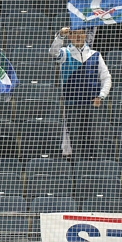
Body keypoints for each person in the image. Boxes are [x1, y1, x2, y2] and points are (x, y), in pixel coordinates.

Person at [50, 26, 111, 159]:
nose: (78, 36)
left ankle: (94, 167)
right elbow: (53, 52)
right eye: (74, 34)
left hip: (93, 105)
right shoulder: (65, 53)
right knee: (76, 141)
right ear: (70, 36)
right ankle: (78, 167)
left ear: (85, 36)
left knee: (94, 141)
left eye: (81, 33)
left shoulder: (96, 55)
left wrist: (101, 96)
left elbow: (106, 78)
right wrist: (60, 36)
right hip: (72, 104)